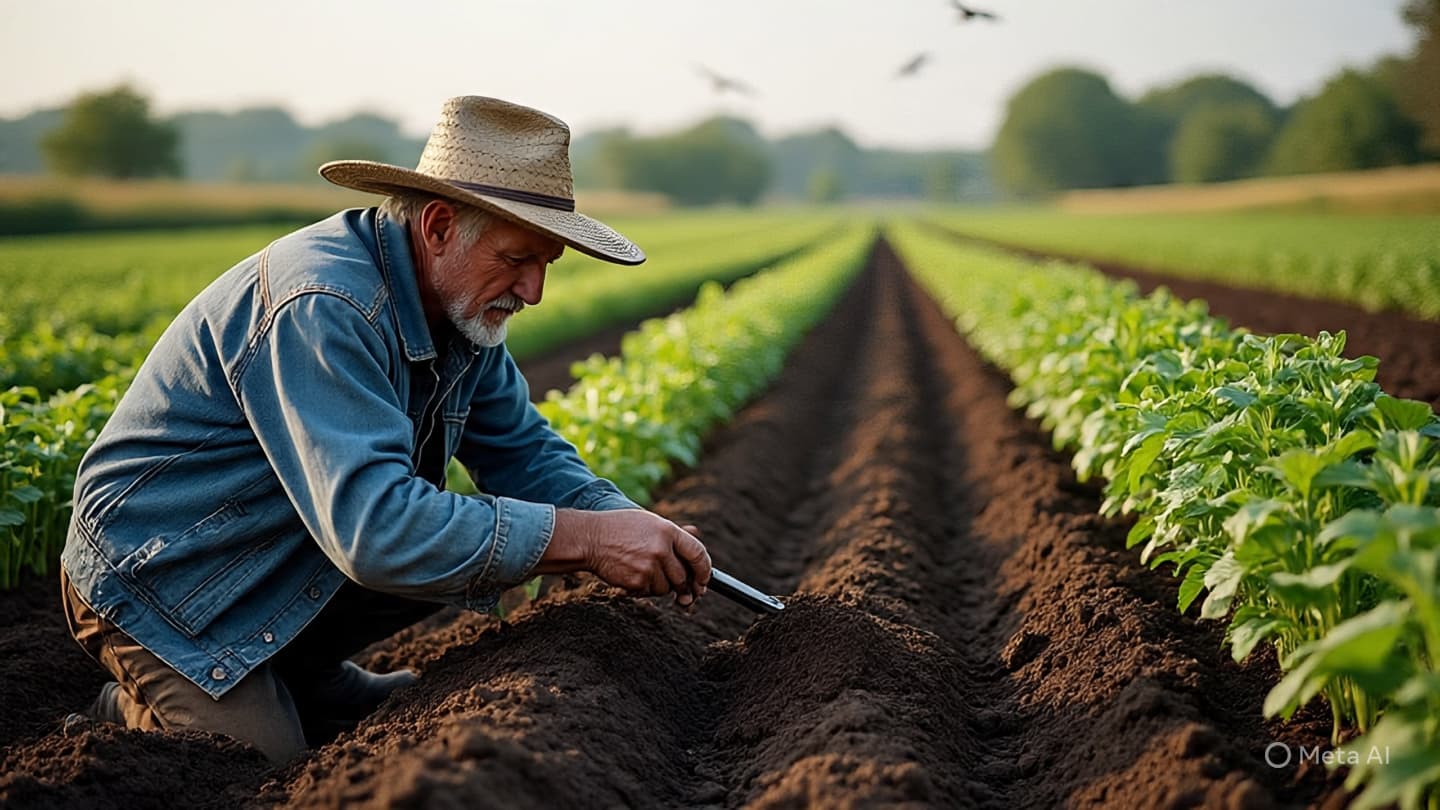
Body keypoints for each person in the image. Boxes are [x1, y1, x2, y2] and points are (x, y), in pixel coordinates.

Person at [59, 95, 713, 763]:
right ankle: (134, 714)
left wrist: (626, 522)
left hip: (284, 550)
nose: (535, 289)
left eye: (548, 263)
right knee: (256, 770)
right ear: (436, 227)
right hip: (170, 581)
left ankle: (296, 674)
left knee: (444, 557)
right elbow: (377, 533)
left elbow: (522, 450)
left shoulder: (461, 313)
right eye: (518, 258)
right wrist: (588, 540)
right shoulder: (324, 307)